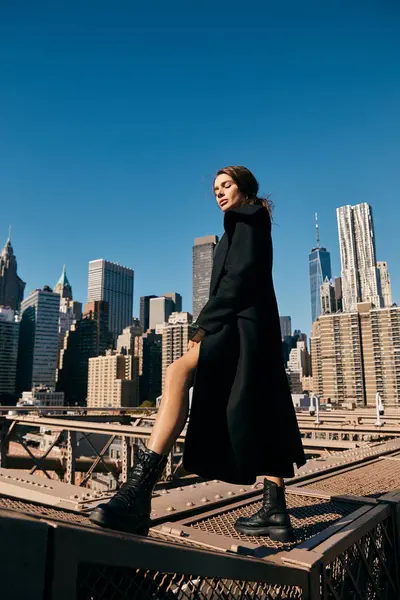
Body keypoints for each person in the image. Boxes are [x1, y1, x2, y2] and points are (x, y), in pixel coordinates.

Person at [89, 166, 306, 541]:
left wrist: (203, 325)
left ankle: (137, 494)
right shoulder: (251, 221)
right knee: (266, 406)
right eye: (215, 188)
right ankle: (275, 512)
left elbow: (238, 278)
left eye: (226, 185)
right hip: (256, 328)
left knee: (176, 373)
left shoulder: (245, 219)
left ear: (244, 187)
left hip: (238, 325)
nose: (219, 193)